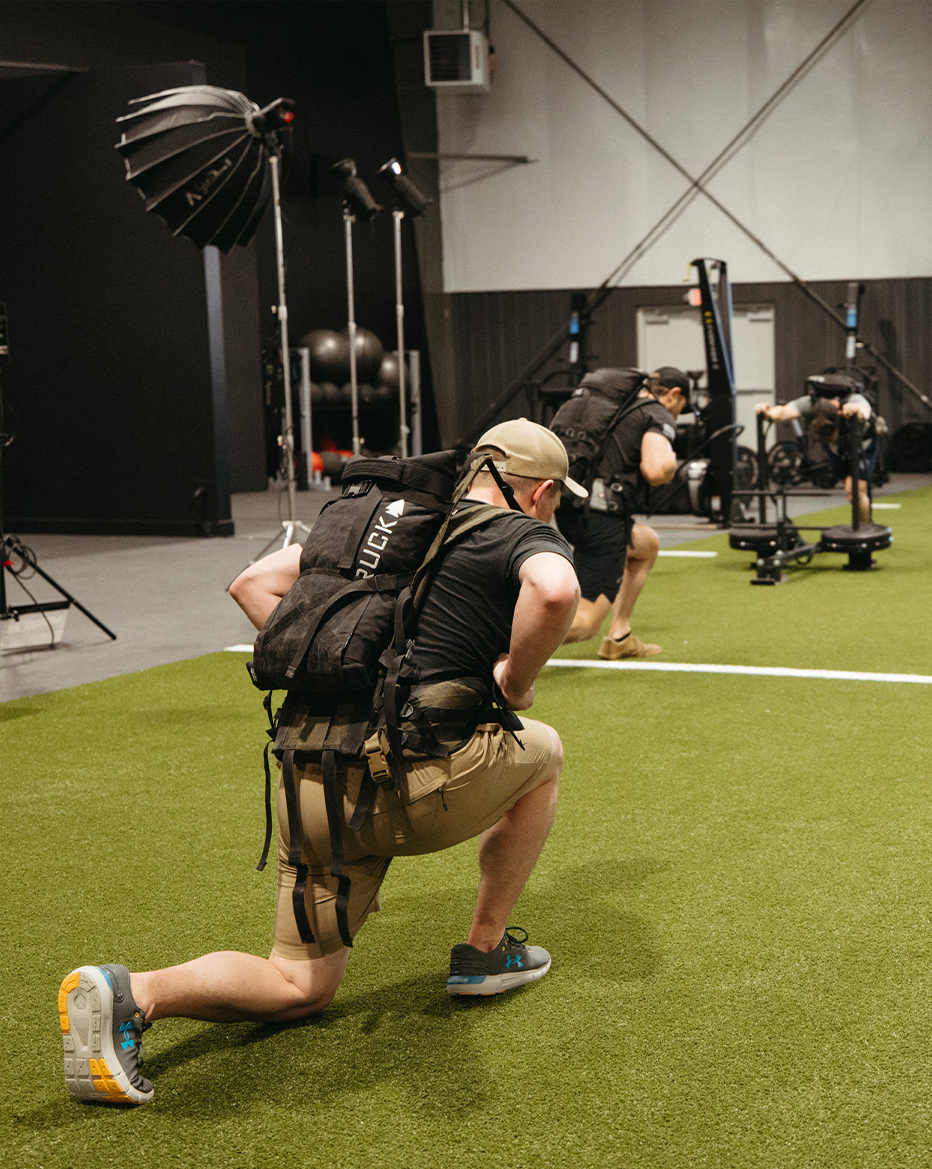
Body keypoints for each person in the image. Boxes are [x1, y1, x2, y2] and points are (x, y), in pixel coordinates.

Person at [56, 421, 582, 1106]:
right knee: (544, 752)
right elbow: (553, 591)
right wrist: (513, 683)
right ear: (538, 491)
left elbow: (251, 585)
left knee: (299, 984)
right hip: (409, 786)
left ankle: (135, 993)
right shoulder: (516, 530)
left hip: (308, 779)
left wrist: (347, 670)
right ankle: (485, 953)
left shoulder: (384, 529)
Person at [556, 366, 684, 659]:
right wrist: (670, 464)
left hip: (570, 507)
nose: (677, 415)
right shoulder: (656, 412)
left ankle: (619, 637)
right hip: (603, 517)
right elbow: (654, 468)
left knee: (646, 545)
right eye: (681, 408)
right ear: (675, 395)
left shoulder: (617, 410)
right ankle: (491, 641)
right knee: (586, 623)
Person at [757, 375, 885, 523]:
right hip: (837, 450)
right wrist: (767, 413)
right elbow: (783, 412)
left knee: (854, 491)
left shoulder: (854, 400)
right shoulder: (810, 403)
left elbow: (864, 411)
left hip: (863, 446)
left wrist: (855, 411)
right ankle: (865, 513)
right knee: (850, 487)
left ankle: (864, 529)